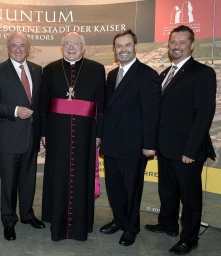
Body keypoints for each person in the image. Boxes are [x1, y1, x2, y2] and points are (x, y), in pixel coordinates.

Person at [145, 25, 216, 255]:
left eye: (182, 42)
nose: (176, 46)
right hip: (165, 148)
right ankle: (168, 225)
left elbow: (204, 114)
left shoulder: (203, 73)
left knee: (190, 196)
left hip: (187, 151)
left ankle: (190, 238)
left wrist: (191, 150)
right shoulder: (165, 74)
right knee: (168, 190)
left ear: (191, 45)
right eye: (173, 42)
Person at [41, 31, 105, 241]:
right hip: (57, 135)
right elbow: (43, 105)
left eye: (76, 43)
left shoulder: (96, 69)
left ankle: (81, 224)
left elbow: (102, 106)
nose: (71, 47)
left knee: (81, 177)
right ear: (61, 47)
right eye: (67, 43)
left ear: (83, 47)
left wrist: (98, 134)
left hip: (86, 134)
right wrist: (43, 133)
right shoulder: (50, 70)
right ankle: (57, 222)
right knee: (58, 176)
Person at [99, 29, 161, 246]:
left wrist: (149, 145)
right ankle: (119, 220)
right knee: (114, 188)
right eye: (119, 46)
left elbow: (152, 113)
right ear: (114, 50)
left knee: (132, 189)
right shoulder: (112, 75)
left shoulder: (147, 74)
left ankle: (131, 228)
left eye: (127, 45)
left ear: (135, 47)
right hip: (113, 143)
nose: (123, 49)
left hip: (135, 147)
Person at [0, 31, 45, 241]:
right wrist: (15, 110)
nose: (18, 50)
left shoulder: (37, 70)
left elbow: (41, 104)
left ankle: (27, 215)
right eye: (14, 46)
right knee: (9, 183)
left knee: (28, 181)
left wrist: (43, 133)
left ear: (28, 48)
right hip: (9, 138)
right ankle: (9, 221)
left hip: (32, 137)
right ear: (7, 48)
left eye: (22, 46)